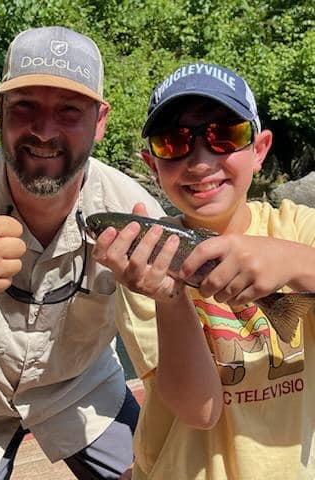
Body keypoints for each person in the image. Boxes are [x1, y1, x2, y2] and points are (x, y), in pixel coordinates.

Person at [0, 26, 167, 480]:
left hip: (83, 390)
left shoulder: (135, 211)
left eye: (69, 110)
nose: (45, 131)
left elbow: (175, 343)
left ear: (101, 120)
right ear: (0, 112)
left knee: (162, 471)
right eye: (26, 105)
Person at [92, 62, 315, 479]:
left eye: (224, 135)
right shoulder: (142, 264)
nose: (199, 160)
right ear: (152, 163)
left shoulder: (299, 229)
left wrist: (292, 259)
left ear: (260, 149)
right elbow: (200, 410)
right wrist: (170, 299)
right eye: (173, 142)